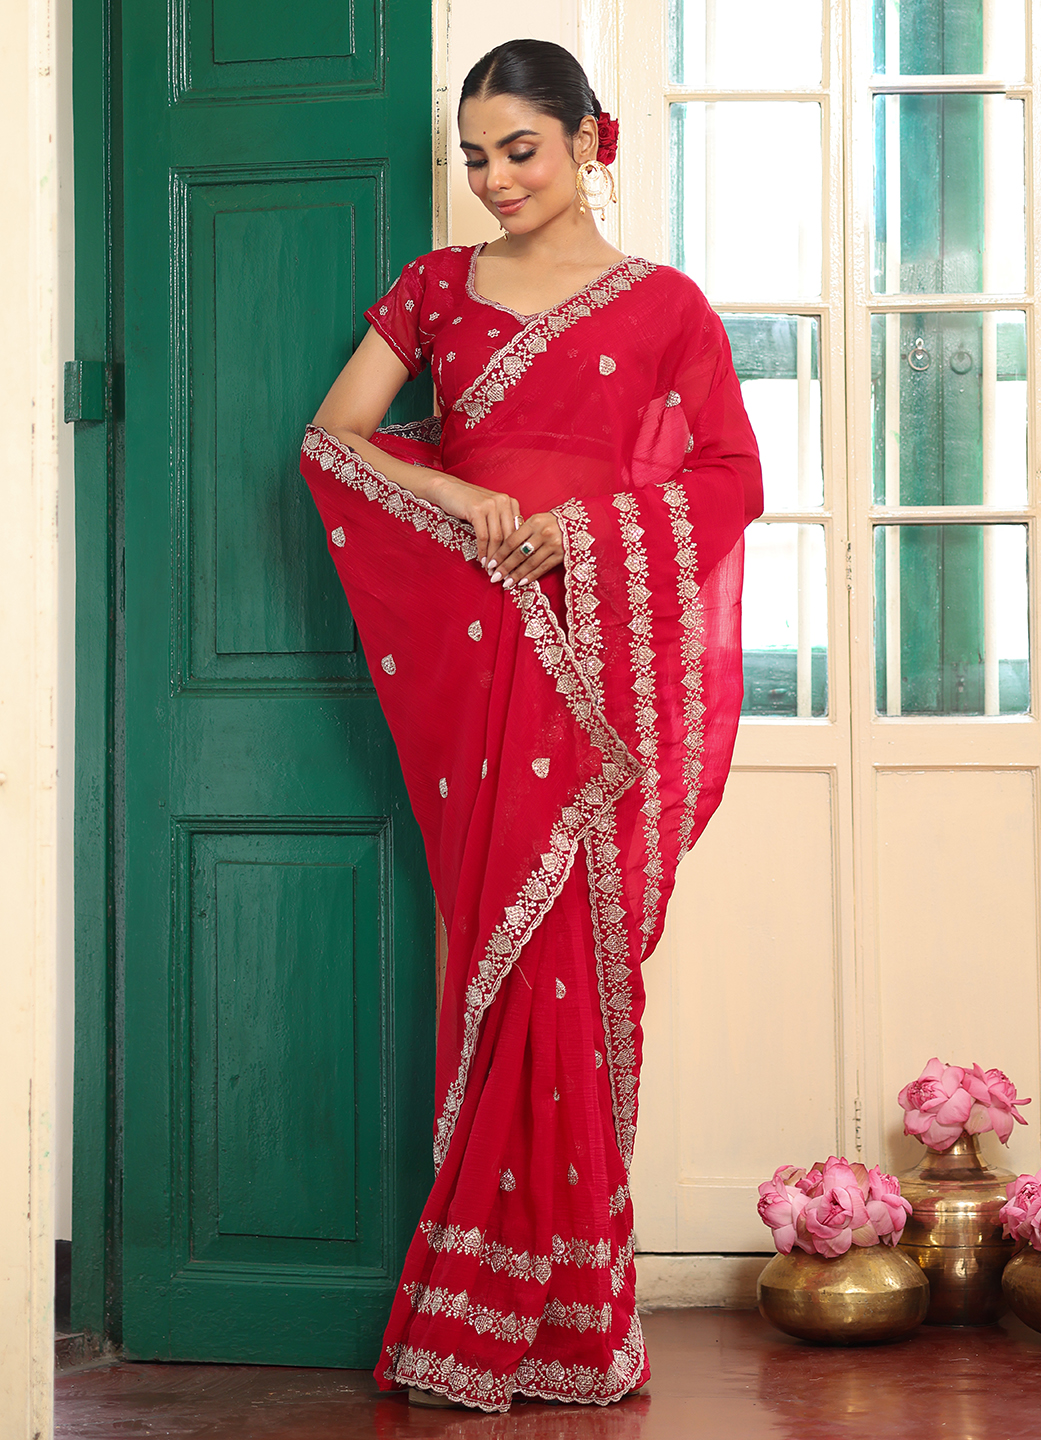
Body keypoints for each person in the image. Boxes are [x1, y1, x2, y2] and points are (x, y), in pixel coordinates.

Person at [300, 37, 763, 1413]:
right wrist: (459, 497)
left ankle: (569, 1316)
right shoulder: (435, 289)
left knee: (575, 962)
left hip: (597, 661)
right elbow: (334, 439)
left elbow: (733, 479)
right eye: (476, 157)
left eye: (522, 150)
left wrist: (585, 530)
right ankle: (480, 1301)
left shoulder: (667, 306)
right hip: (484, 655)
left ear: (588, 139)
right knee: (495, 953)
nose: (497, 179)